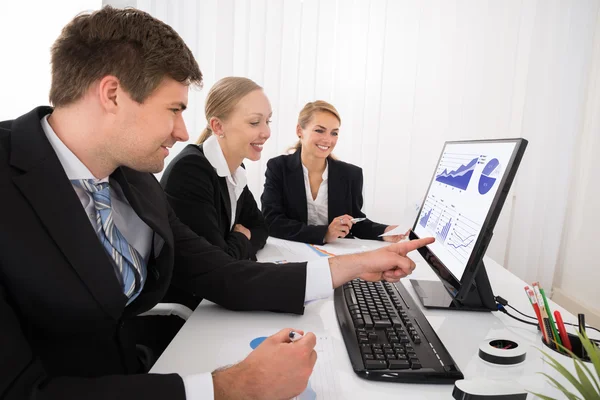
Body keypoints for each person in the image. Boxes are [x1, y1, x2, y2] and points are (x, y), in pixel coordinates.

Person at [0, 6, 433, 400]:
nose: (182, 132)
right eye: (173, 109)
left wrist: (354, 266)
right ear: (112, 94)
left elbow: (219, 272)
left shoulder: (133, 179)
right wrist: (227, 387)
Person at [261, 100, 409, 245]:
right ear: (300, 131)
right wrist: (325, 233)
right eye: (319, 130)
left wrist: (385, 232)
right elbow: (271, 220)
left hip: (336, 254)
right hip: (291, 251)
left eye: (334, 133)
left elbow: (355, 223)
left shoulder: (351, 174)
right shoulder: (278, 167)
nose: (327, 139)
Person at [161, 77, 269, 262]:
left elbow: (261, 228)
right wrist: (243, 237)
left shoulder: (235, 169)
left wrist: (236, 242)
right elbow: (217, 263)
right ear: (218, 126)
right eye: (254, 122)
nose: (266, 132)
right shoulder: (191, 172)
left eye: (268, 121)